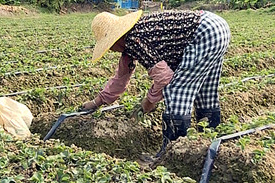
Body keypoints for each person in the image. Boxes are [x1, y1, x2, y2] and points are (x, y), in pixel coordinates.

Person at [82, 10, 231, 158]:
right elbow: (120, 79)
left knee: (176, 91)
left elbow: (165, 78)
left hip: (203, 32)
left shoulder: (135, 40)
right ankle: (207, 142)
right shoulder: (133, 38)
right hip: (217, 27)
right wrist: (97, 102)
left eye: (109, 45)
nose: (111, 50)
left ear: (116, 39)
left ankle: (173, 155)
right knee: (205, 91)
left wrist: (148, 102)